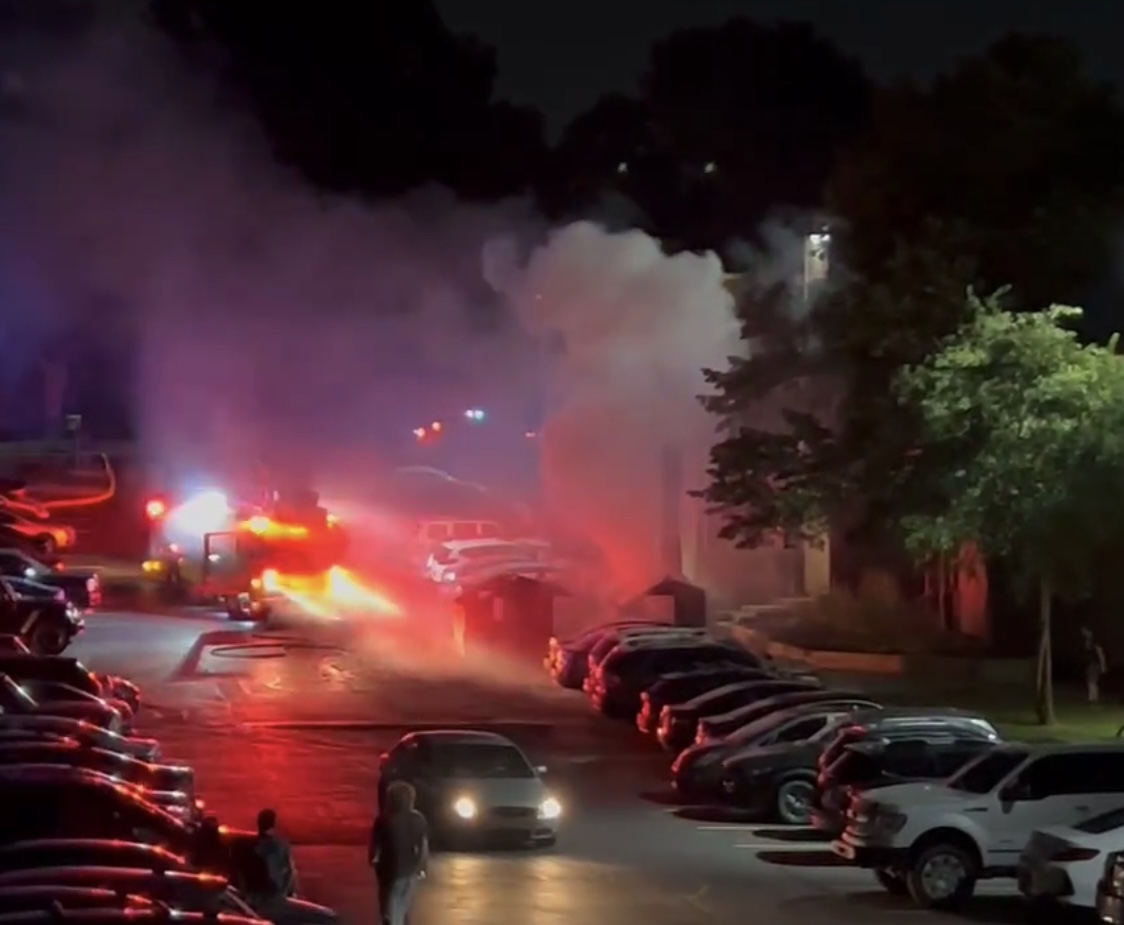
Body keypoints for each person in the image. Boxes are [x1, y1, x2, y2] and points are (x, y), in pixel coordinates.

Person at [369, 781, 429, 925]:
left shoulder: (384, 820)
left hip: (389, 871)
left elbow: (375, 845)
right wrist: (422, 867)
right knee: (404, 905)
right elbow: (423, 846)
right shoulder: (418, 819)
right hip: (410, 870)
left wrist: (372, 859)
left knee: (389, 908)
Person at [243, 808, 298, 917]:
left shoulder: (248, 847)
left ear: (259, 824)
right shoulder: (281, 846)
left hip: (255, 901)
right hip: (277, 898)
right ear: (273, 824)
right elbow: (290, 873)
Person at [1083, 626, 1108, 704]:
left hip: (1095, 665)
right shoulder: (1089, 642)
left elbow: (1101, 655)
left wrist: (1103, 666)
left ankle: (1094, 698)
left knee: (1092, 682)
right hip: (1090, 664)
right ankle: (1091, 698)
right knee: (1090, 682)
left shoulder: (1096, 643)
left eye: (1086, 631)